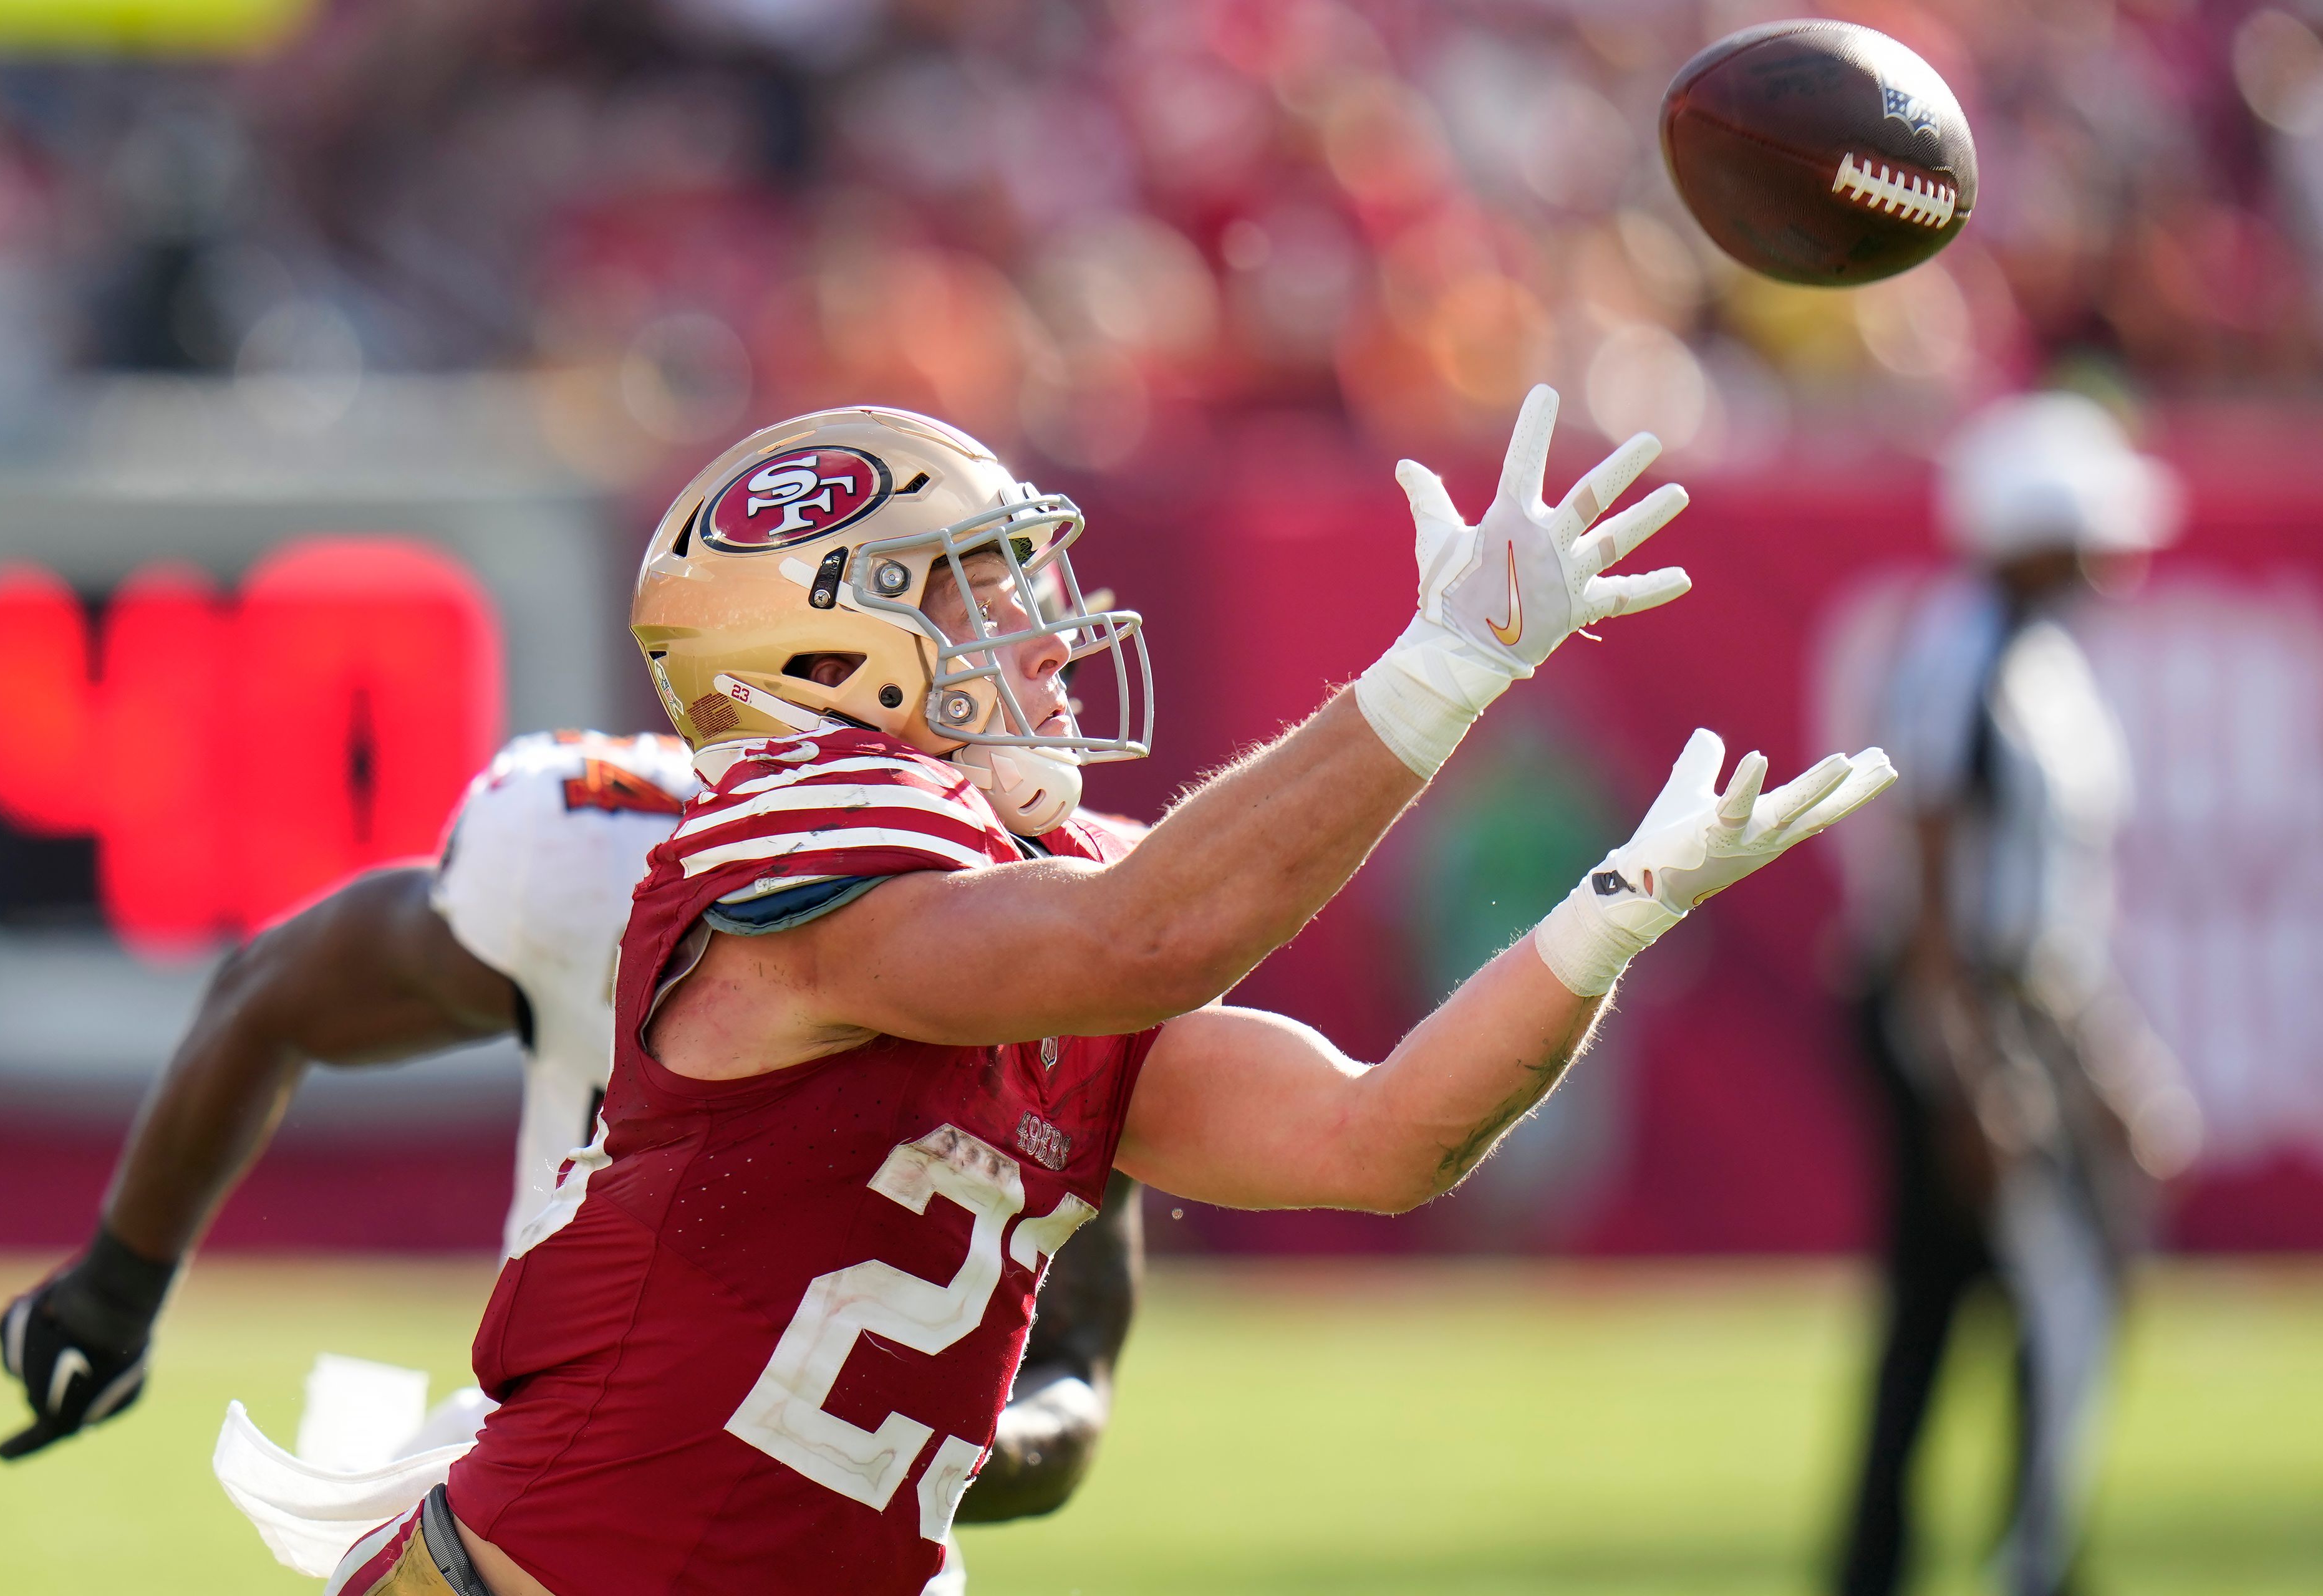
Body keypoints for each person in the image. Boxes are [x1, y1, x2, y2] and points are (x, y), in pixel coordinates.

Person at [312, 396, 1893, 1596]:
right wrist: (1448, 664)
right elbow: (1142, 939)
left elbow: (1379, 1136)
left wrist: (1610, 918)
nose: (1045, 630)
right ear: (827, 651)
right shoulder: (793, 842)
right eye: (978, 591)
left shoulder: (1039, 889)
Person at [0, 724, 1144, 1585]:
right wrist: (112, 1294)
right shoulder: (615, 848)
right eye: (975, 598)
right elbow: (279, 991)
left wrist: (842, 1451)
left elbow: (1069, 1384)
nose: (1038, 656)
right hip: (546, 1494)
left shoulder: (1090, 924)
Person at [1831, 392, 2202, 1596]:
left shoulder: (2037, 656)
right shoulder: (1966, 648)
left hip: (2025, 1006)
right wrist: (1970, 1075)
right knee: (2054, 1288)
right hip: (1974, 1011)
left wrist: (2111, 1057)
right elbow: (1929, 891)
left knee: (1952, 1306)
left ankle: (1904, 1561)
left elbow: (2058, 912)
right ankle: (2027, 1562)